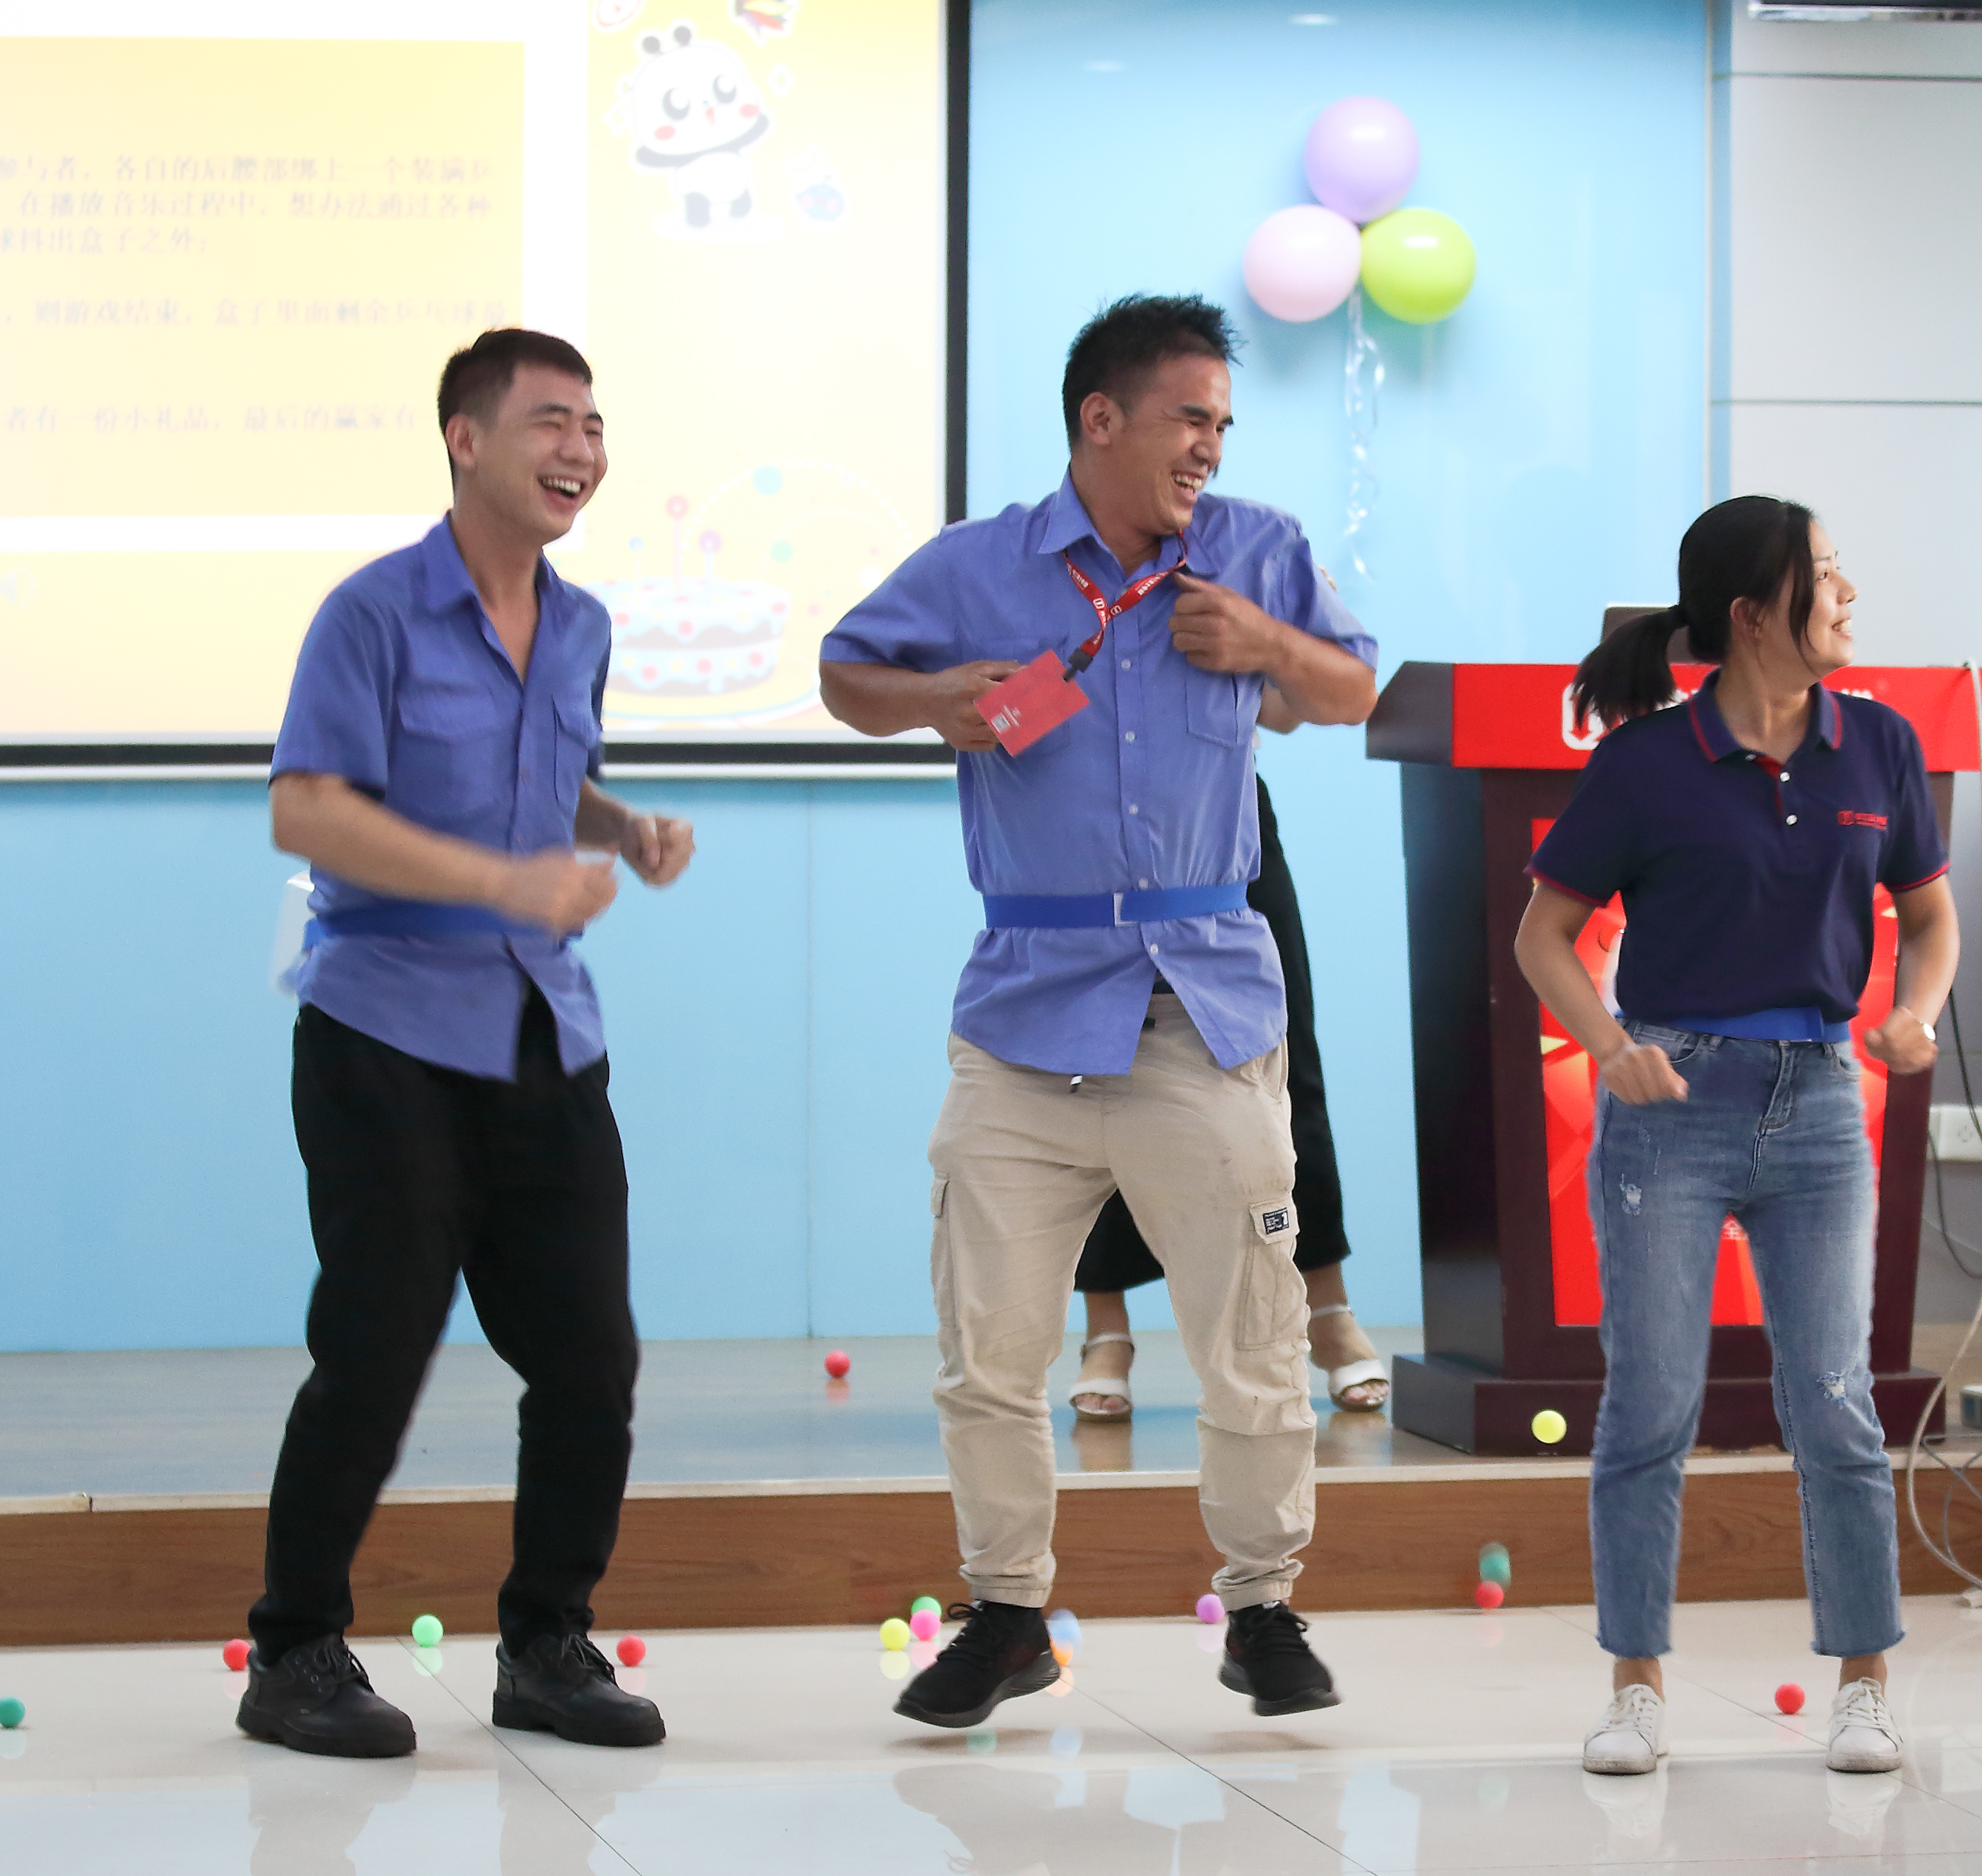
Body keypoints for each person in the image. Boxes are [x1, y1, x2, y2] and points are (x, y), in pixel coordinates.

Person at [821, 294, 1377, 1729]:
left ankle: (1263, 1608)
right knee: (988, 1350)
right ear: (1101, 418)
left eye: (1222, 424)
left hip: (1200, 1009)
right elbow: (842, 673)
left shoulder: (1254, 550)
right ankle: (1006, 1612)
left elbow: (1351, 686)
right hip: (1022, 1019)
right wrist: (938, 698)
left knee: (1250, 1339)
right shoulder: (980, 563)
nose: (1210, 446)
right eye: (1190, 417)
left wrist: (1264, 640)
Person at [240, 327, 696, 1759]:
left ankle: (546, 1644)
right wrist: (503, 881)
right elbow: (307, 807)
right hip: (385, 1028)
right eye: (552, 420)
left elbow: (551, 784)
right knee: (374, 1351)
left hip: (543, 1033)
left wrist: (622, 826)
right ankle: (294, 1651)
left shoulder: (582, 625)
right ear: (466, 439)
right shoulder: (372, 614)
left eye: (594, 425)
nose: (582, 450)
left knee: (591, 1360)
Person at [1514, 495, 1953, 1779]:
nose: (1847, 593)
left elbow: (1929, 918)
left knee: (1834, 1403)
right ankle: (1634, 1688)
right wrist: (1608, 1047)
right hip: (1668, 1107)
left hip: (1818, 1103)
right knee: (1649, 1403)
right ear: (1754, 613)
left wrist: (1915, 1014)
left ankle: (1863, 1685)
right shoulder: (1645, 761)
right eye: (1824, 573)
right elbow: (1542, 936)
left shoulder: (1877, 742)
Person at [1068, 771, 1389, 1420]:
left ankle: (1327, 1310)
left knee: (1279, 1053)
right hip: (1083, 803)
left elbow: (1307, 713)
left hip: (1218, 801)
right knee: (1095, 1061)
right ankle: (1106, 1330)